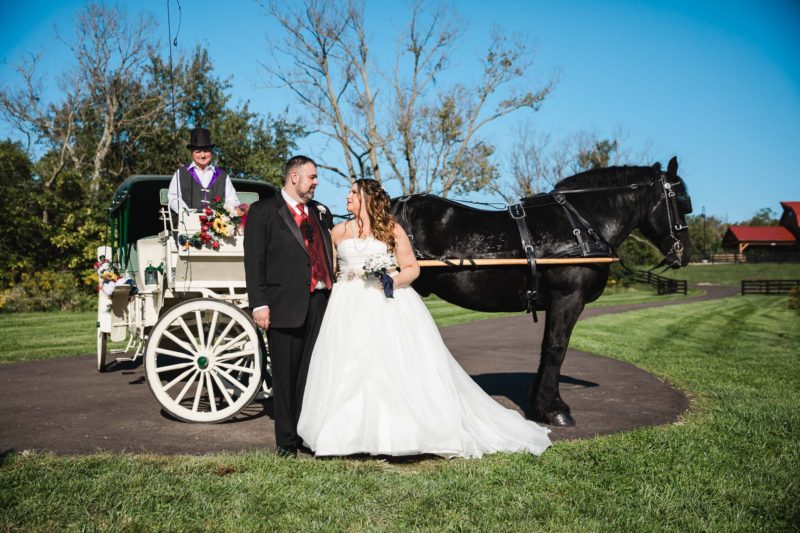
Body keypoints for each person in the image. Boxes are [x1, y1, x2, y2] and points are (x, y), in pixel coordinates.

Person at [297, 179, 551, 458]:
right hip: (347, 304)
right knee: (348, 365)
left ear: (367, 199)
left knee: (389, 365)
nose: (347, 196)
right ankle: (346, 434)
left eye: (353, 192)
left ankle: (396, 433)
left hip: (385, 302)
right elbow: (330, 269)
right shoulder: (338, 232)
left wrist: (391, 280)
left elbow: (411, 267)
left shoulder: (391, 229)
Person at [244, 155, 334, 458]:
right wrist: (259, 304)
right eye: (312, 177)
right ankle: (286, 441)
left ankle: (306, 433)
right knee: (285, 376)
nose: (316, 182)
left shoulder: (320, 212)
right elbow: (254, 261)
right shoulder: (263, 211)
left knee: (312, 374)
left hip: (320, 302)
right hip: (282, 305)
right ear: (294, 177)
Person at [167, 127, 239, 215]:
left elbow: (232, 201)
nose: (202, 155)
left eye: (206, 151)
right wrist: (187, 214)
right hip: (187, 222)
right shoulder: (180, 173)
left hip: (217, 222)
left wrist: (223, 216)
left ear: (211, 152)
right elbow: (173, 197)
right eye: (198, 151)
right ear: (192, 153)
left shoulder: (223, 176)